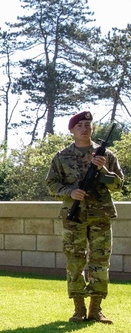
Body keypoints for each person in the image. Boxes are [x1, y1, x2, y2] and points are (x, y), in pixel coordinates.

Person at [46, 111, 123, 324]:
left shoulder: (106, 155)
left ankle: (96, 310)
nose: (84, 128)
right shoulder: (61, 157)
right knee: (75, 261)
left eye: (88, 124)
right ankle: (79, 309)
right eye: (79, 125)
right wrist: (70, 192)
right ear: (71, 130)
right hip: (74, 216)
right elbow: (51, 184)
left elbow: (118, 185)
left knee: (99, 262)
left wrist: (103, 169)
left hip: (100, 215)